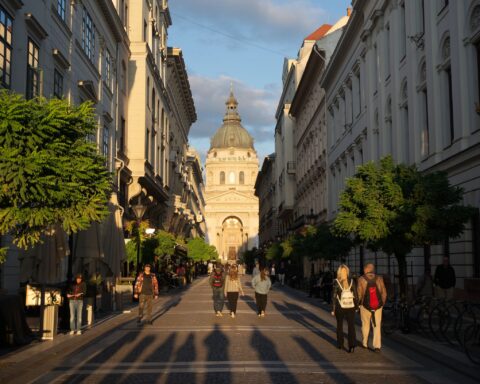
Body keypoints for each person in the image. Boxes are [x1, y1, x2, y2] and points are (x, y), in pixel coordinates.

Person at [357, 263, 387, 352]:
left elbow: (359, 294)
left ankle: (365, 343)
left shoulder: (361, 279)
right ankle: (377, 346)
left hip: (365, 306)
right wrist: (381, 304)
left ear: (366, 270)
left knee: (365, 324)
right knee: (376, 325)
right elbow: (384, 293)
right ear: (373, 269)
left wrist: (359, 304)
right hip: (378, 306)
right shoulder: (379, 278)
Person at [331, 265, 358, 353]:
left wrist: (333, 309)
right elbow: (356, 295)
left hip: (340, 306)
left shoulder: (336, 282)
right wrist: (357, 306)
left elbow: (334, 297)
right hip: (351, 306)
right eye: (343, 272)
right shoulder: (352, 281)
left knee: (340, 325)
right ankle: (352, 345)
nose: (343, 273)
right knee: (351, 326)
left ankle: (340, 343)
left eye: (344, 272)